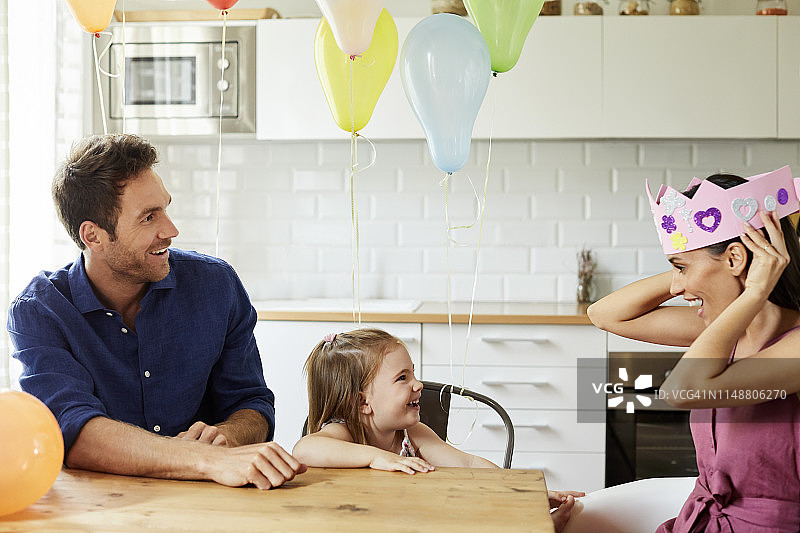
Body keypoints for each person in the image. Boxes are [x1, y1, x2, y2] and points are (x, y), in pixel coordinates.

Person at [7, 134, 305, 489]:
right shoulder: (40, 312)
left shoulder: (216, 284)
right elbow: (74, 431)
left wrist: (229, 436)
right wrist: (204, 459)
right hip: (101, 510)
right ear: (93, 236)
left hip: (212, 501)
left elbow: (252, 403)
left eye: (165, 208)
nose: (171, 230)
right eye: (149, 217)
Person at [582, 167, 800, 532]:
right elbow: (604, 314)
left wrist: (754, 292)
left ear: (735, 260)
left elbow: (681, 391)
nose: (678, 286)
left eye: (681, 268)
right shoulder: (720, 330)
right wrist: (686, 265)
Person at [291, 327, 583, 532]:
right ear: (362, 402)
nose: (418, 384)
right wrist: (376, 458)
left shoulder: (411, 435)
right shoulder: (345, 433)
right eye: (403, 378)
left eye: (413, 373)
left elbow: (467, 464)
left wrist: (526, 494)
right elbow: (304, 449)